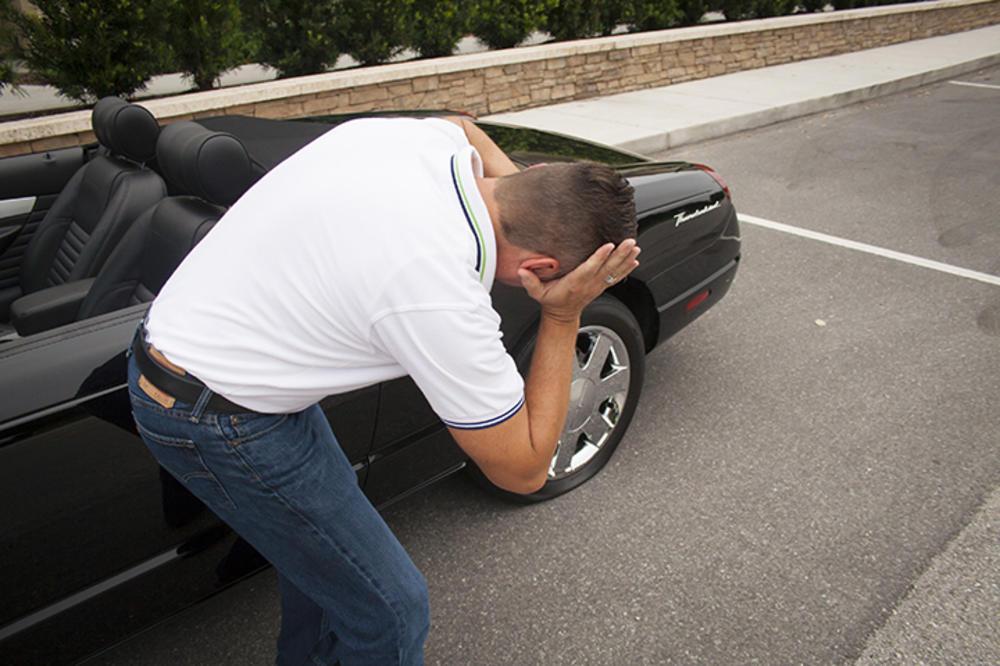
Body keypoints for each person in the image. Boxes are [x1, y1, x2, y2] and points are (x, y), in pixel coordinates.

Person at [127, 114, 639, 665]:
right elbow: (523, 468)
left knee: (331, 567)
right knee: (391, 610)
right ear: (541, 267)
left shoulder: (415, 141)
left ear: (534, 174)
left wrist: (548, 207)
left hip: (204, 358)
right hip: (215, 412)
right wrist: (564, 312)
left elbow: (463, 125)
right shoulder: (437, 289)